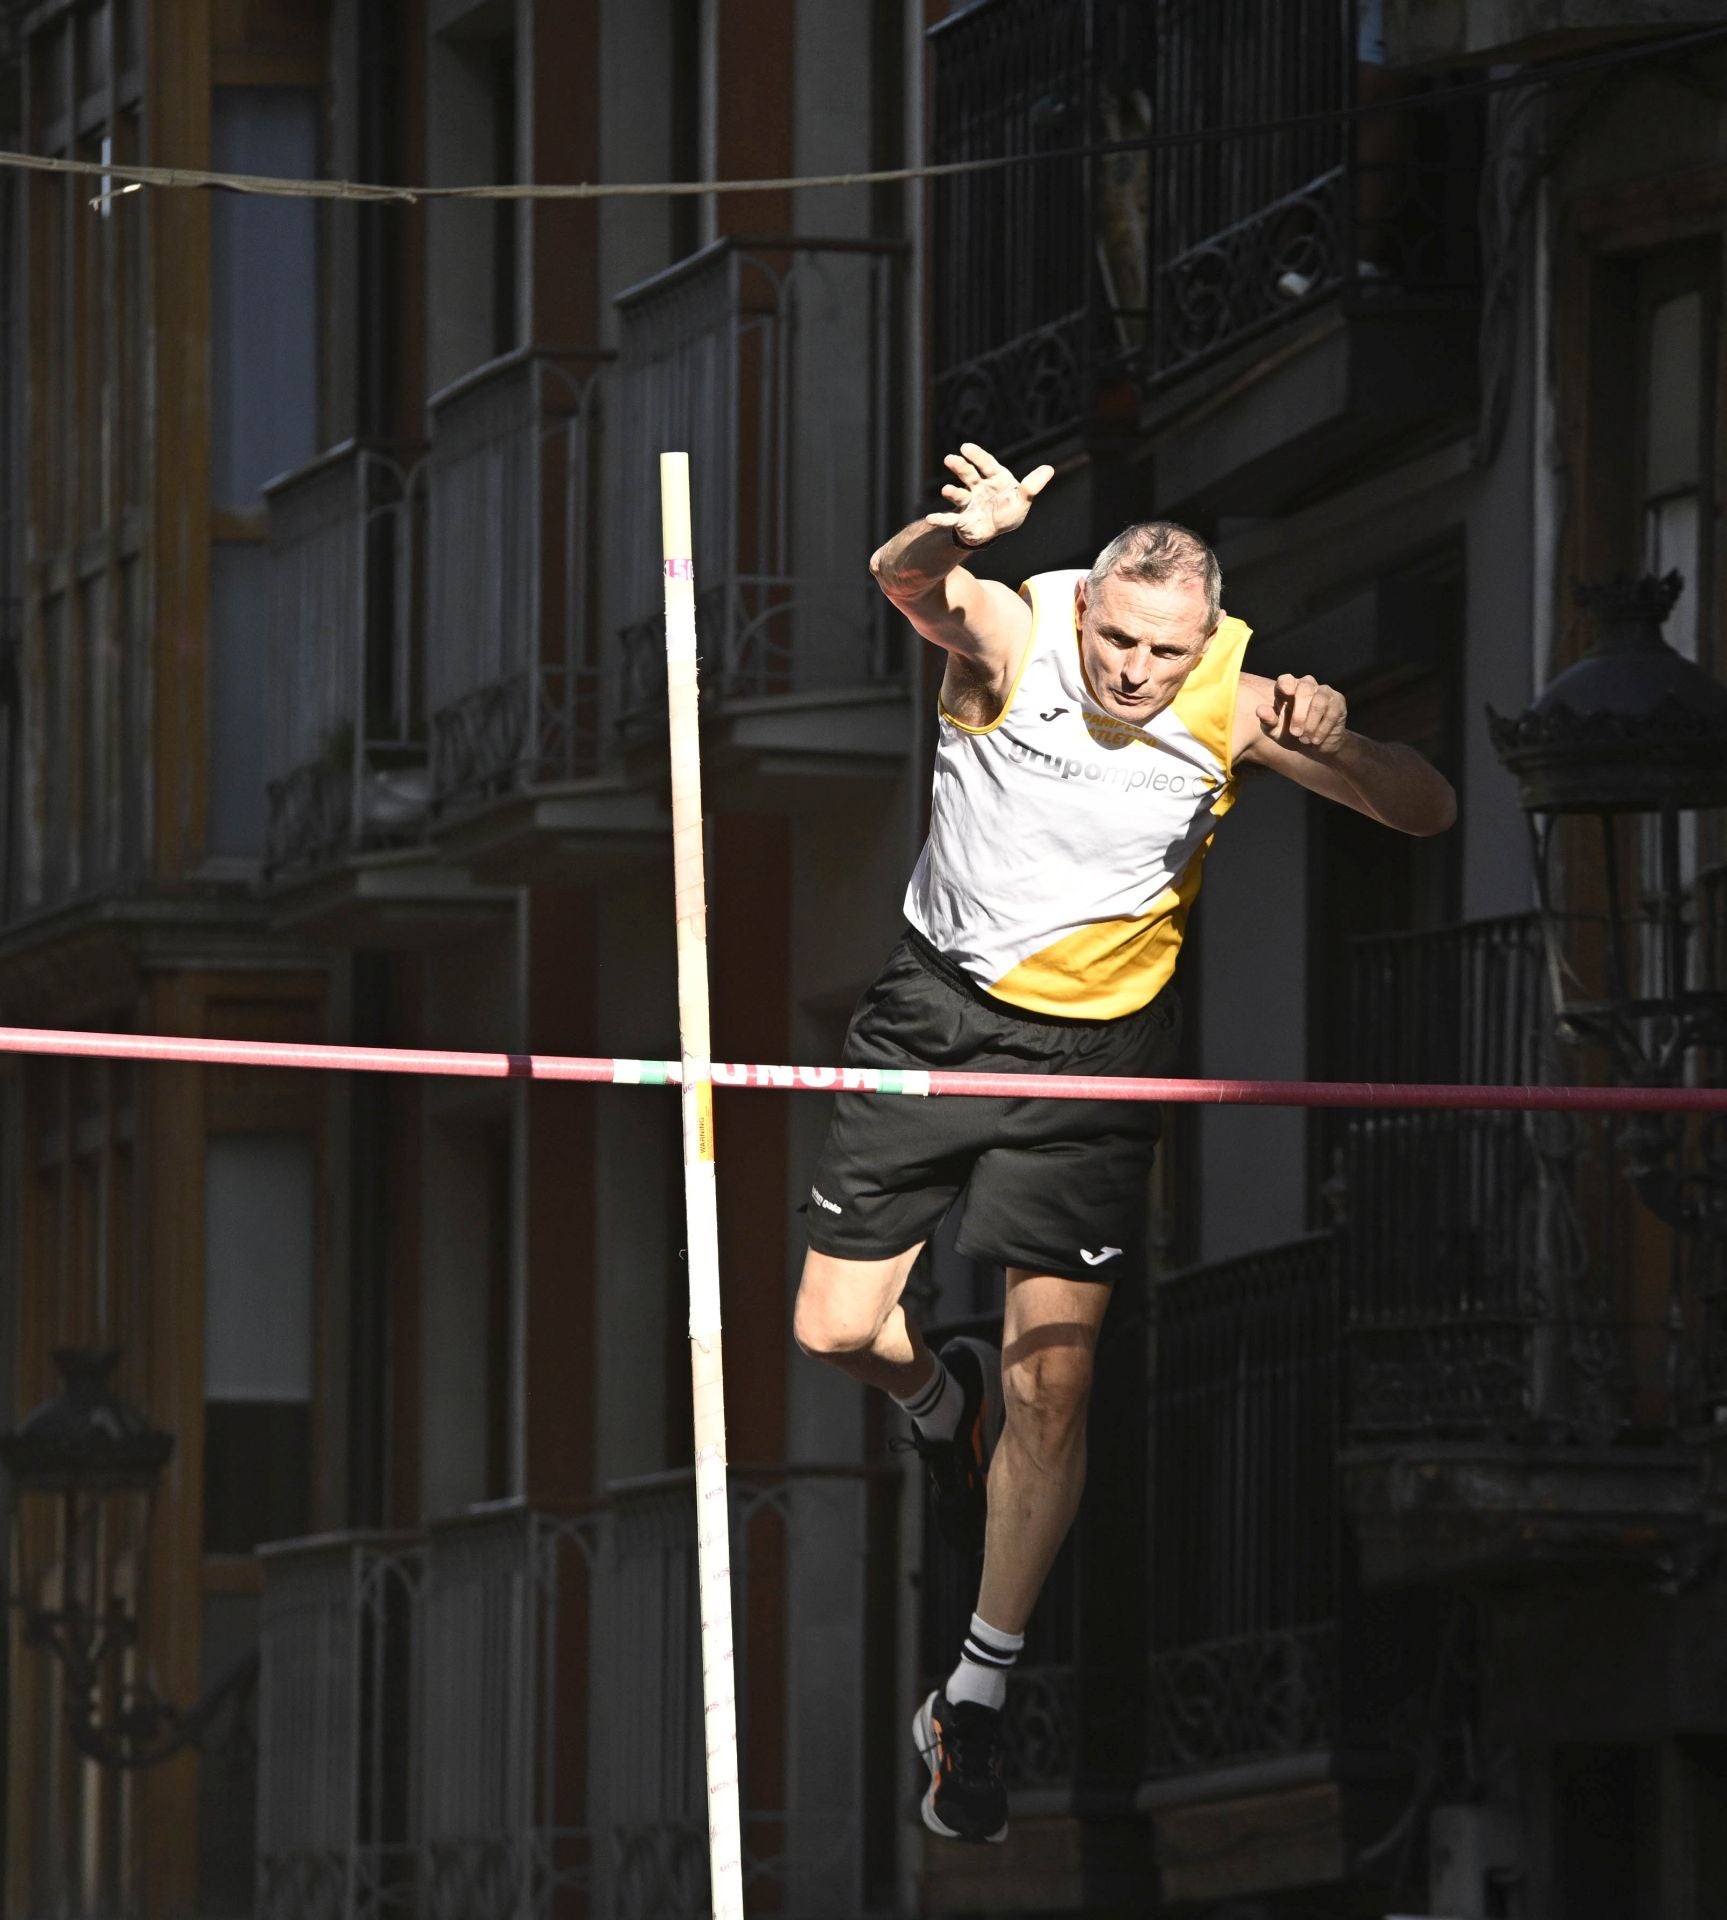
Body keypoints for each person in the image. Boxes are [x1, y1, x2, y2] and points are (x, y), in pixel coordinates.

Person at [791, 442, 1456, 1845]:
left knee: (1058, 1388)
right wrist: (949, 533)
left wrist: (1340, 740)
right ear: (1082, 606)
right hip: (935, 1017)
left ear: (1201, 638)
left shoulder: (1234, 700)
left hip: (1098, 1059)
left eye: (1167, 649)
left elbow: (1424, 808)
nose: (1137, 673)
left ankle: (972, 1700)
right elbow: (906, 583)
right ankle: (933, 1397)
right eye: (1121, 640)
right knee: (837, 1331)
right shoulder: (1013, 639)